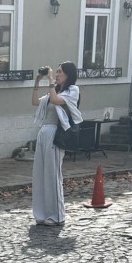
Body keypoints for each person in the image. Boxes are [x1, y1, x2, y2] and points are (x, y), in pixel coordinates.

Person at [31, 62, 82, 226]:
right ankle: (41, 213)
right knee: (40, 174)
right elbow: (35, 102)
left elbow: (55, 100)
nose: (57, 74)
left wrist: (51, 80)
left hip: (56, 134)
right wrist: (37, 82)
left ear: (68, 75)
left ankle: (56, 215)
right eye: (57, 72)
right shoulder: (54, 90)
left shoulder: (72, 91)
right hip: (43, 133)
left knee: (52, 175)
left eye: (60, 72)